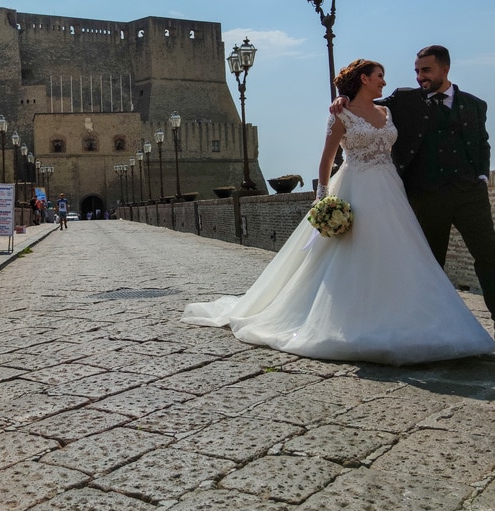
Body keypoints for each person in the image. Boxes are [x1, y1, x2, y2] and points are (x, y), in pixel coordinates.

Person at [182, 59, 494, 365]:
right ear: (364, 79)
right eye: (379, 75)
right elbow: (326, 159)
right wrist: (322, 199)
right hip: (356, 187)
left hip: (392, 191)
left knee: (404, 254)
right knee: (355, 254)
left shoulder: (390, 110)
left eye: (423, 70)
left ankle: (417, 318)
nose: (386, 80)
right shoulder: (342, 113)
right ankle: (355, 319)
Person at [332, 45, 495, 325]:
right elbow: (365, 107)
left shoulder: (475, 105)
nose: (420, 77)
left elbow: (482, 144)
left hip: (470, 194)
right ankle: (433, 325)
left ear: (445, 69)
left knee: (489, 257)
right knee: (429, 265)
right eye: (417, 71)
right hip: (426, 196)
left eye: (426, 70)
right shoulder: (404, 100)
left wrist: (481, 176)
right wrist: (342, 98)